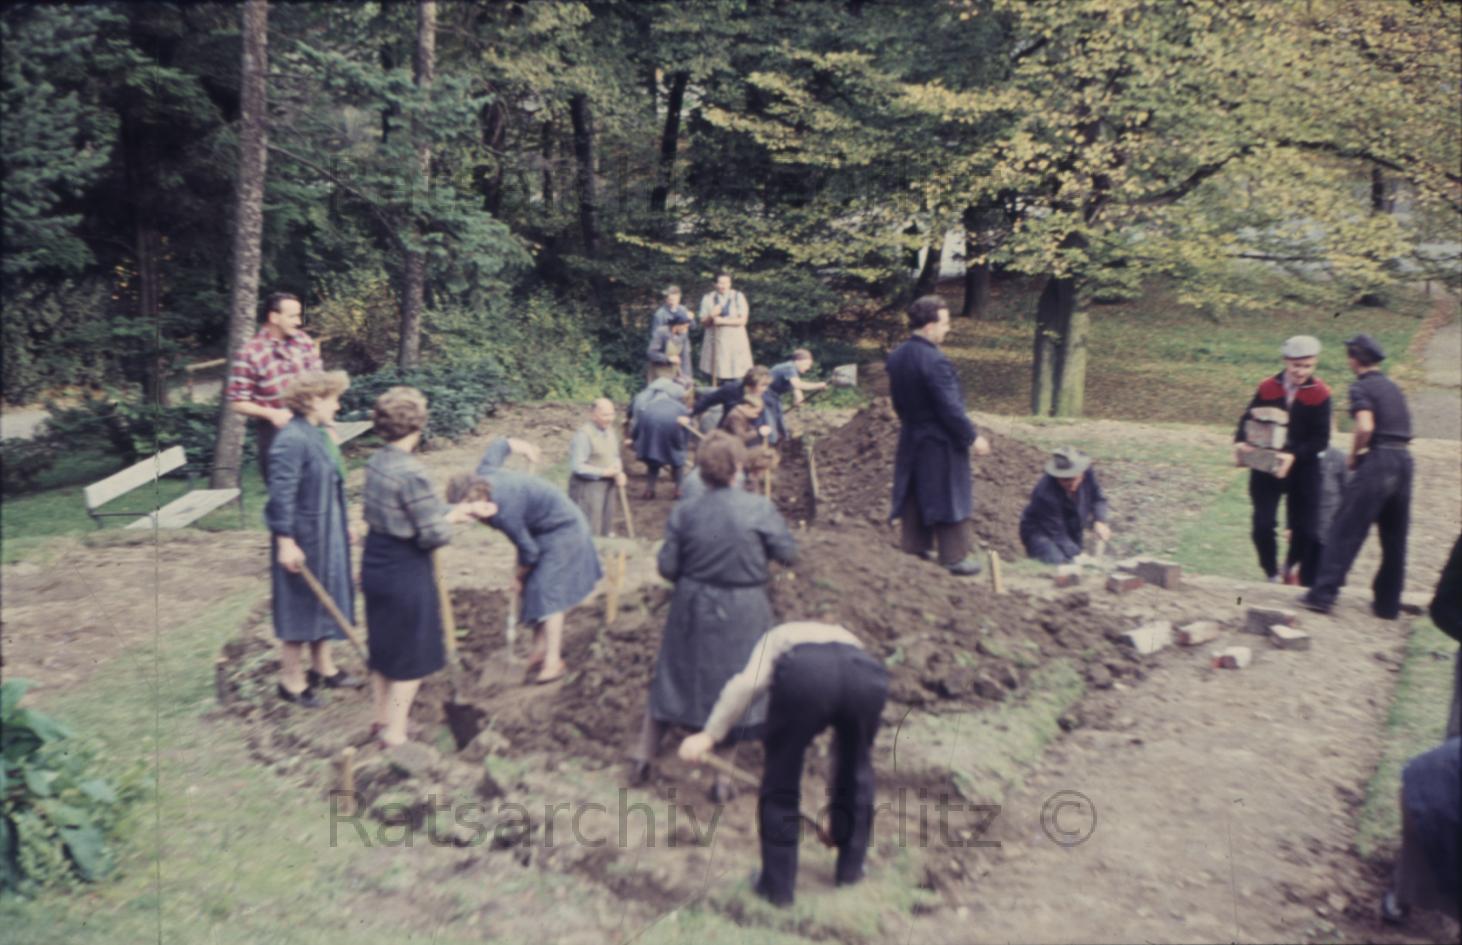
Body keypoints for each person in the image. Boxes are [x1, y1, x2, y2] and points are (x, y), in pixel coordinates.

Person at [630, 434, 798, 800]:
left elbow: (667, 567)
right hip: (744, 608)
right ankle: (721, 781)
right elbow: (788, 553)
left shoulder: (686, 511)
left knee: (674, 675)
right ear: (739, 468)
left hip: (692, 603)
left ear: (702, 471)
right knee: (736, 682)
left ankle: (643, 756)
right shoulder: (759, 508)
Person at [679, 621, 887, 907]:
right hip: (866, 676)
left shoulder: (776, 637)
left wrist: (710, 734)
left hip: (806, 678)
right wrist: (838, 820)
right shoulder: (846, 637)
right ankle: (851, 872)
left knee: (781, 777)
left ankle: (777, 888)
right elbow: (840, 753)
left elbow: (749, 683)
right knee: (857, 769)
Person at [360, 387, 488, 747]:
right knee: (411, 655)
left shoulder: (376, 462)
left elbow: (410, 514)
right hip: (405, 568)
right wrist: (453, 520)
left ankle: (380, 720)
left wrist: (454, 511)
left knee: (384, 648)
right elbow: (433, 534)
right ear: (418, 424)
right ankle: (395, 734)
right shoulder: (412, 473)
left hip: (376, 559)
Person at [455, 436, 604, 684]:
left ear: (480, 495)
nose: (472, 518)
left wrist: (518, 577)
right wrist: (525, 448)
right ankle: (538, 650)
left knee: (548, 592)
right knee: (534, 588)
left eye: (474, 512)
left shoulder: (505, 512)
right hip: (541, 530)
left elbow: (530, 552)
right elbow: (501, 444)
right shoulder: (484, 471)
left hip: (564, 529)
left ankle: (553, 662)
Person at [264, 370, 362, 707]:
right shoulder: (291, 440)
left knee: (327, 597)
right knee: (300, 605)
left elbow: (333, 484)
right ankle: (291, 681)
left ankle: (323, 667)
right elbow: (280, 496)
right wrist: (285, 541)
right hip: (303, 537)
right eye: (333, 399)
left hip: (328, 532)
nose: (338, 406)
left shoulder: (318, 435)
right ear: (312, 400)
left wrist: (343, 523)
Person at [1300, 334, 1413, 618]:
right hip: (1404, 461)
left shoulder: (1361, 387)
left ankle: (1322, 595)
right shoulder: (1392, 387)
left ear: (1354, 359)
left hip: (1379, 460)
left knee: (1345, 528)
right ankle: (1388, 605)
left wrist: (1354, 454)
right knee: (1394, 538)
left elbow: (1365, 426)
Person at [886, 295, 990, 576]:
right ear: (929, 326)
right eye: (945, 324)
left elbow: (897, 402)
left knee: (915, 490)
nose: (948, 329)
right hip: (940, 439)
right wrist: (972, 437)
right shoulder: (935, 361)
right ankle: (954, 557)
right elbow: (950, 407)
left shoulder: (897, 356)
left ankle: (915, 546)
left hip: (911, 434)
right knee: (950, 493)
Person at [1233, 335, 1332, 584]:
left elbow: (1321, 439)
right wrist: (1241, 441)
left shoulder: (1320, 394)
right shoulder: (1268, 387)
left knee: (1305, 529)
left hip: (1303, 468)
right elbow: (1248, 419)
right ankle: (1271, 573)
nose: (1301, 372)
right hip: (1267, 465)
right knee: (1262, 525)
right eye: (1296, 365)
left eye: (1308, 366)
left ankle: (1290, 565)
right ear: (1286, 361)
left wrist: (1293, 454)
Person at [226, 291, 324, 482]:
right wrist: (272, 414)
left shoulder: (303, 341)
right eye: (293, 316)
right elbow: (237, 402)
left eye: (299, 316)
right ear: (274, 317)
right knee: (284, 493)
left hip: (310, 424)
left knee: (318, 488)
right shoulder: (249, 353)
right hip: (277, 433)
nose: (298, 322)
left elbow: (319, 380)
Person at [1380, 736, 1460, 925]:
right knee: (1441, 860)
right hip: (1427, 799)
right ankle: (1399, 900)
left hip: (1419, 784)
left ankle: (1399, 900)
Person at [1018, 447, 1112, 565]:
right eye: (1064, 481)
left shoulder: (1088, 474)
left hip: (1071, 523)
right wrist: (1079, 555)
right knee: (1059, 562)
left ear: (1081, 473)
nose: (1070, 485)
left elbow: (1098, 498)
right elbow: (1056, 532)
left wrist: (1100, 520)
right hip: (1040, 531)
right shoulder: (1044, 493)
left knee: (1074, 560)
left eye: (1073, 479)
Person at [1284, 441, 1348, 585]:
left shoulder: (1339, 458)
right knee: (1299, 574)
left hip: (1329, 528)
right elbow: (1293, 495)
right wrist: (1290, 525)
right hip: (1305, 528)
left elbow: (1348, 493)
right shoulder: (1300, 457)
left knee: (1328, 575)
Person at [567, 398, 627, 537]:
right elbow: (577, 466)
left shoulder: (610, 431)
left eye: (612, 414)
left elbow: (615, 455)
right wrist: (604, 472)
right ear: (593, 415)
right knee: (590, 526)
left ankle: (602, 547)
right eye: (605, 415)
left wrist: (619, 472)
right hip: (588, 488)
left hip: (608, 485)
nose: (610, 419)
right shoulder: (584, 435)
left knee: (605, 524)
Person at [630, 376, 692, 499]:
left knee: (654, 461)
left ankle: (649, 490)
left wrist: (633, 439)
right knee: (678, 461)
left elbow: (638, 426)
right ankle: (679, 490)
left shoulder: (647, 403)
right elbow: (687, 431)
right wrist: (682, 448)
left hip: (651, 434)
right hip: (671, 430)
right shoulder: (681, 409)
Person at [698, 272, 753, 384]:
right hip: (715, 342)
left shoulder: (738, 296)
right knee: (716, 372)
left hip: (735, 342)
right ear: (715, 284)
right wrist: (711, 315)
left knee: (737, 373)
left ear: (730, 284)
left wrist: (722, 321)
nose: (723, 286)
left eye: (726, 283)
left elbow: (743, 320)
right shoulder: (708, 298)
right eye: (720, 283)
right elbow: (703, 322)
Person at [765, 349, 829, 441]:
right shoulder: (789, 367)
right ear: (799, 361)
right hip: (765, 395)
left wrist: (798, 398)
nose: (808, 368)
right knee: (772, 420)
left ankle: (780, 440)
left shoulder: (791, 368)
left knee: (778, 420)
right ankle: (772, 440)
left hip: (771, 396)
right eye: (807, 364)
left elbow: (794, 386)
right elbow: (797, 384)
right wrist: (818, 385)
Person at [719, 366, 776, 448]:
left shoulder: (762, 398)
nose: (766, 389)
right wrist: (759, 431)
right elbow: (740, 437)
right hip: (729, 445)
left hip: (745, 439)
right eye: (763, 385)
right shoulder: (737, 411)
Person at [646, 311, 694, 384]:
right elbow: (651, 353)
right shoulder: (662, 332)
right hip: (658, 373)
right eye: (684, 327)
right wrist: (669, 358)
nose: (686, 330)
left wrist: (687, 377)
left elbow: (685, 358)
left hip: (673, 374)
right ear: (677, 325)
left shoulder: (683, 335)